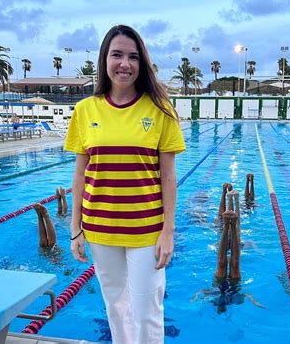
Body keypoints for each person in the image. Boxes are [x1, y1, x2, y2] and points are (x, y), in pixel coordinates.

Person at [64, 25, 186, 344]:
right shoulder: (85, 110)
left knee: (148, 310)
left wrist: (168, 231)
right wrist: (75, 228)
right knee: (116, 307)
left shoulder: (160, 110)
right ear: (104, 59)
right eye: (117, 54)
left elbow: (168, 177)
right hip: (99, 229)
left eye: (133, 57)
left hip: (146, 230)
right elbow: (80, 175)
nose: (125, 64)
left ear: (141, 63)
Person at [191, 211, 265, 314]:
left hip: (218, 283)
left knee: (221, 263)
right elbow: (246, 294)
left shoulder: (214, 300)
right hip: (235, 285)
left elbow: (203, 291)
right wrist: (254, 301)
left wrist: (196, 297)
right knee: (235, 264)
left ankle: (226, 226)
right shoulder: (235, 301)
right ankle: (233, 226)